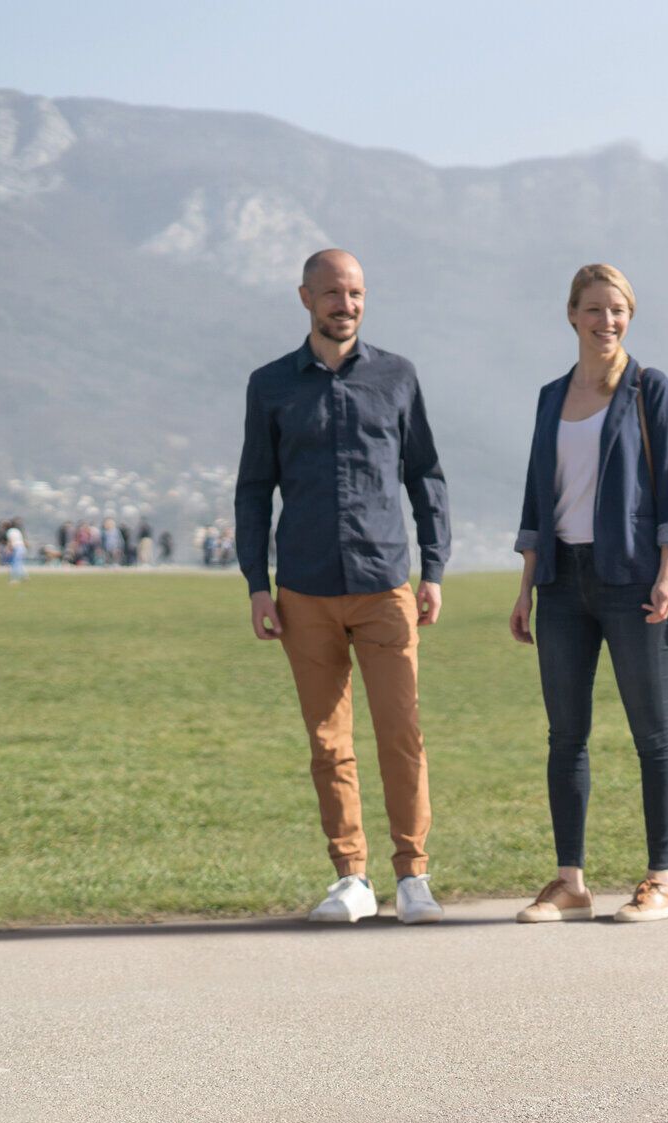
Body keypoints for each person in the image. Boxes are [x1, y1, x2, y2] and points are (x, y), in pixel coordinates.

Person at [236, 248, 451, 926]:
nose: (345, 305)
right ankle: (351, 877)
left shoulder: (397, 377)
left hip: (386, 582)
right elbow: (253, 489)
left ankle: (413, 876)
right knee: (329, 742)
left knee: (402, 732)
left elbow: (427, 477)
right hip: (303, 589)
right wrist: (256, 584)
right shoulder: (270, 385)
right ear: (305, 298)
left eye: (355, 293)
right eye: (332, 293)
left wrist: (435, 569)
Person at [508, 263, 668, 924]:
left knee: (652, 734)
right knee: (566, 736)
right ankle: (569, 883)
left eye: (617, 310)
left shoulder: (649, 390)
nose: (606, 321)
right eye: (593, 309)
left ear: (628, 317)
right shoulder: (550, 397)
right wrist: (526, 589)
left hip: (633, 582)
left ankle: (660, 881)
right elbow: (537, 498)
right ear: (572, 315)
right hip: (561, 584)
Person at [5, 520, 27, 584]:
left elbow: (10, 541)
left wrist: (8, 550)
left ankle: (14, 579)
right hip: (22, 547)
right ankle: (25, 577)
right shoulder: (17, 531)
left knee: (15, 564)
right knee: (19, 563)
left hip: (16, 548)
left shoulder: (9, 531)